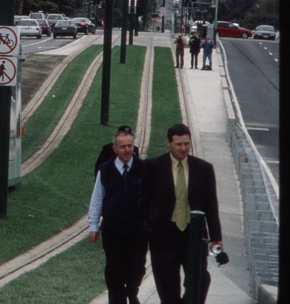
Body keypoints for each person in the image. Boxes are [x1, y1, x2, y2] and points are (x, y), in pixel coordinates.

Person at [138, 124, 223, 304]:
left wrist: (216, 237)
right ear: (168, 143)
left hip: (194, 236)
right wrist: (148, 229)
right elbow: (142, 202)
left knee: (200, 280)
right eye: (178, 144)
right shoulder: (152, 166)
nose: (183, 148)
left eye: (186, 143)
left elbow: (211, 205)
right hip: (163, 237)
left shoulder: (204, 168)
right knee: (167, 290)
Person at [89, 129, 148, 304]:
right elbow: (97, 198)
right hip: (112, 230)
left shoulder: (143, 168)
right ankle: (118, 299)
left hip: (137, 231)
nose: (127, 150)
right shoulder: (105, 170)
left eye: (130, 146)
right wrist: (93, 225)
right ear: (115, 149)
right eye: (123, 147)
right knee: (114, 269)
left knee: (137, 268)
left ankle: (132, 291)